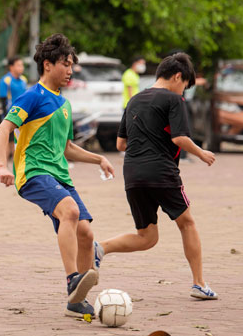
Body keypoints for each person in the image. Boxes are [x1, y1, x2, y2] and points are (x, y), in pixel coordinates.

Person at [0, 33, 116, 318]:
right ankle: (72, 278)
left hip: (60, 175)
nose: (70, 70)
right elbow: (3, 129)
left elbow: (67, 148)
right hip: (33, 172)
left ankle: (77, 300)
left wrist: (97, 158)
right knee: (70, 212)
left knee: (86, 234)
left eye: (72, 65)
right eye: (65, 64)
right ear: (48, 65)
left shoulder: (64, 104)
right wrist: (2, 166)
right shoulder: (32, 96)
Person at [94, 52, 219, 300]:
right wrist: (201, 152)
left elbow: (121, 144)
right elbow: (179, 138)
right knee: (187, 223)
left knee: (147, 237)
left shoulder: (134, 100)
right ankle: (199, 283)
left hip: (132, 173)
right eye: (184, 86)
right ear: (177, 76)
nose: (183, 92)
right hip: (161, 171)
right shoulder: (174, 100)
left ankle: (100, 248)